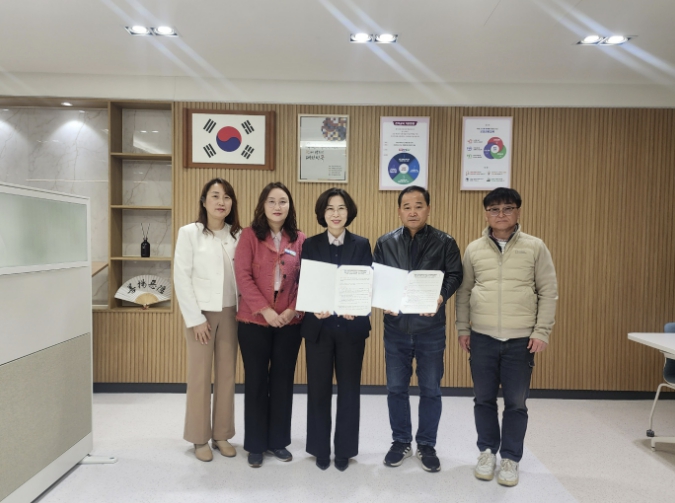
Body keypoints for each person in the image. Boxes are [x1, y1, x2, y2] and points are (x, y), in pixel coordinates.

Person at [455, 187, 558, 487]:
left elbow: (548, 291)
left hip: (520, 340)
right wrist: (463, 328)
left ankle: (511, 458)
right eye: (494, 209)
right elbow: (464, 292)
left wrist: (541, 331)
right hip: (482, 337)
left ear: (518, 212)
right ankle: (487, 452)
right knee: (483, 399)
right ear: (486, 214)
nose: (501, 214)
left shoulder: (535, 247)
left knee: (516, 403)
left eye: (508, 208)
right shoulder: (474, 249)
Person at [373, 185, 462, 473]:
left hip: (430, 329)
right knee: (396, 388)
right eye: (407, 206)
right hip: (396, 328)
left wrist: (441, 296)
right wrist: (384, 301)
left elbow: (455, 274)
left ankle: (426, 444)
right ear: (399, 211)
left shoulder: (445, 242)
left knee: (431, 389)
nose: (413, 211)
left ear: (428, 209)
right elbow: (377, 277)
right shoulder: (385, 242)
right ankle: (401, 442)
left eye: (419, 206)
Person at [234, 182, 306, 468]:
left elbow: (306, 279)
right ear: (262, 206)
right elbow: (242, 276)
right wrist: (265, 311)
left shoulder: (299, 239)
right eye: (272, 201)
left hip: (290, 322)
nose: (278, 206)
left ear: (289, 206)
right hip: (253, 321)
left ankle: (278, 441)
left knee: (282, 381)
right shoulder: (249, 236)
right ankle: (255, 444)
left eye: (283, 201)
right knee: (255, 381)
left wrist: (292, 309)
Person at [301, 188, 372, 471]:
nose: (335, 213)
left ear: (348, 212)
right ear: (322, 213)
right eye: (330, 208)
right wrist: (313, 307)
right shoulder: (311, 244)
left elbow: (366, 283)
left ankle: (344, 450)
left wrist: (358, 305)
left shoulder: (362, 244)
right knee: (318, 390)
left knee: (349, 391)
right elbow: (306, 282)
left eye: (341, 208)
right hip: (319, 329)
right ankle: (320, 448)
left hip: (351, 329)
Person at [173, 178, 241, 462]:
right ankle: (199, 437)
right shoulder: (189, 233)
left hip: (232, 313)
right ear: (204, 201)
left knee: (227, 375)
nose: (221, 202)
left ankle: (221, 434)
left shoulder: (238, 235)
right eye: (215, 196)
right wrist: (195, 319)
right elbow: (181, 277)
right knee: (200, 376)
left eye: (226, 197)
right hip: (201, 315)